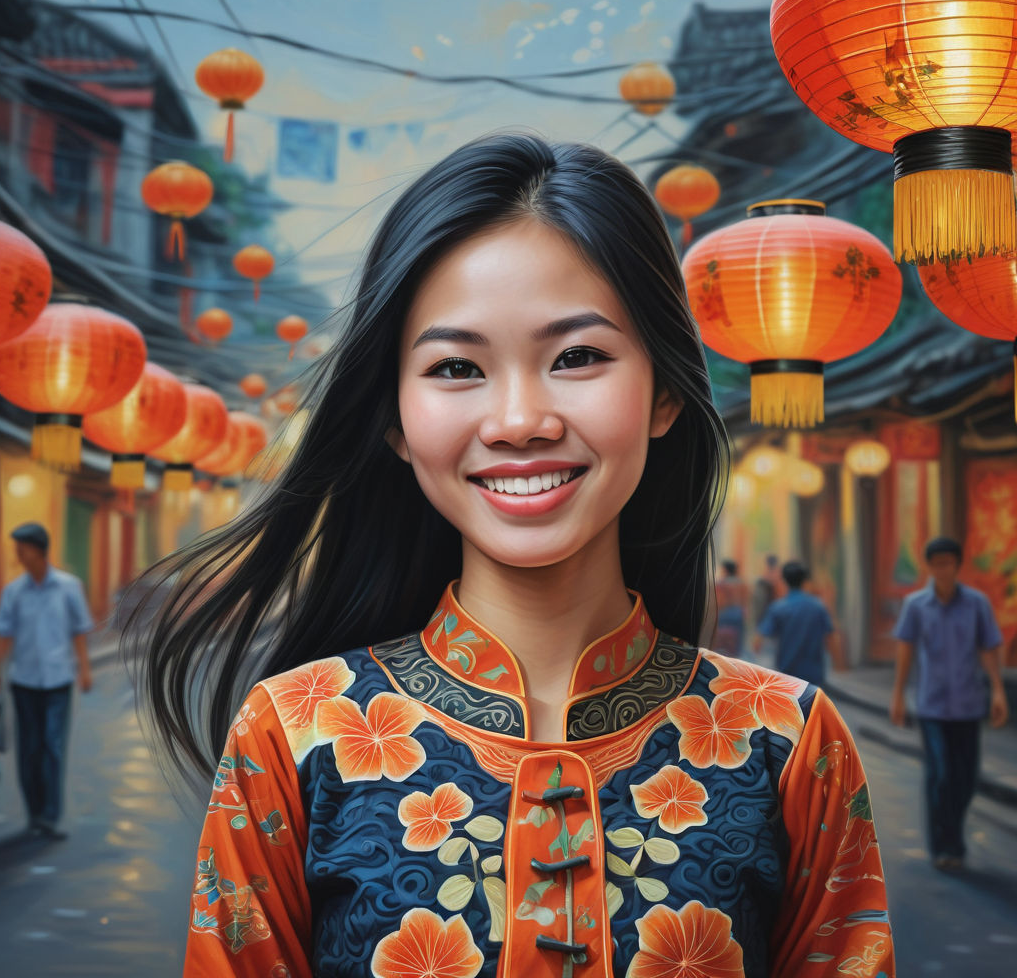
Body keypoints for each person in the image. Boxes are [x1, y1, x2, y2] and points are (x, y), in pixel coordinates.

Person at [133, 135, 894, 977]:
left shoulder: (788, 744)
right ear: (393, 417)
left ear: (666, 391)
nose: (519, 419)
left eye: (578, 357)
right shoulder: (292, 733)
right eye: (457, 367)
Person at [890, 535, 1009, 872]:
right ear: (929, 567)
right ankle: (944, 845)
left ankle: (952, 836)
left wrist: (998, 690)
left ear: (958, 565)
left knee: (966, 778)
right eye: (936, 563)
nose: (942, 569)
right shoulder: (916, 605)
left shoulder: (977, 604)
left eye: (948, 563)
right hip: (932, 706)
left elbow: (988, 647)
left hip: (969, 704)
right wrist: (898, 695)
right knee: (940, 775)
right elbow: (905, 650)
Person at [0, 522, 94, 839]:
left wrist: (85, 668)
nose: (17, 554)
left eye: (21, 548)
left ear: (36, 550)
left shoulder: (68, 586)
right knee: (29, 748)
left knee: (53, 745)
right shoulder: (14, 591)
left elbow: (79, 630)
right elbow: (4, 634)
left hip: (58, 681)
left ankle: (50, 815)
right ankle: (35, 813)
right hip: (24, 681)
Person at [754, 561, 835, 687]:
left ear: (784, 581)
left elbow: (758, 642)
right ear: (805, 580)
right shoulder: (818, 606)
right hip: (814, 677)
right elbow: (831, 637)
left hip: (788, 677)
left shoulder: (778, 608)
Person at [713, 558, 749, 657]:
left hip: (724, 614)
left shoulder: (721, 583)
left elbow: (718, 602)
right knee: (737, 643)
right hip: (738, 614)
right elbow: (745, 601)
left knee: (722, 642)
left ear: (726, 570)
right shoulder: (742, 583)